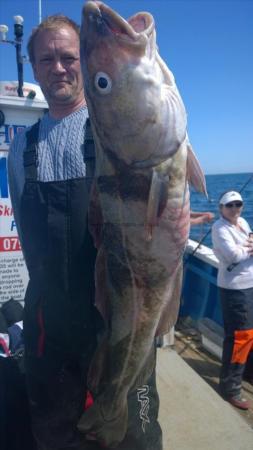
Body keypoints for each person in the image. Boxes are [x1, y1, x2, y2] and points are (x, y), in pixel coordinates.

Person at [7, 15, 162, 450]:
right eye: (47, 59)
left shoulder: (115, 130)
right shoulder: (22, 148)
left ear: (85, 61)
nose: (58, 68)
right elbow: (24, 219)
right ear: (34, 68)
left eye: (69, 57)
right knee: (55, 432)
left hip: (115, 318)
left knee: (134, 434)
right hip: (48, 323)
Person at [211, 190, 253, 410]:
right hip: (235, 290)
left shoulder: (243, 222)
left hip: (250, 285)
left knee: (247, 336)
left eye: (238, 204)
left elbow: (248, 241)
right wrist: (249, 248)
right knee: (240, 337)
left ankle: (244, 372)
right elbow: (233, 256)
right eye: (230, 205)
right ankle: (231, 387)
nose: (235, 209)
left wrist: (247, 246)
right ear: (221, 208)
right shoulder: (219, 228)